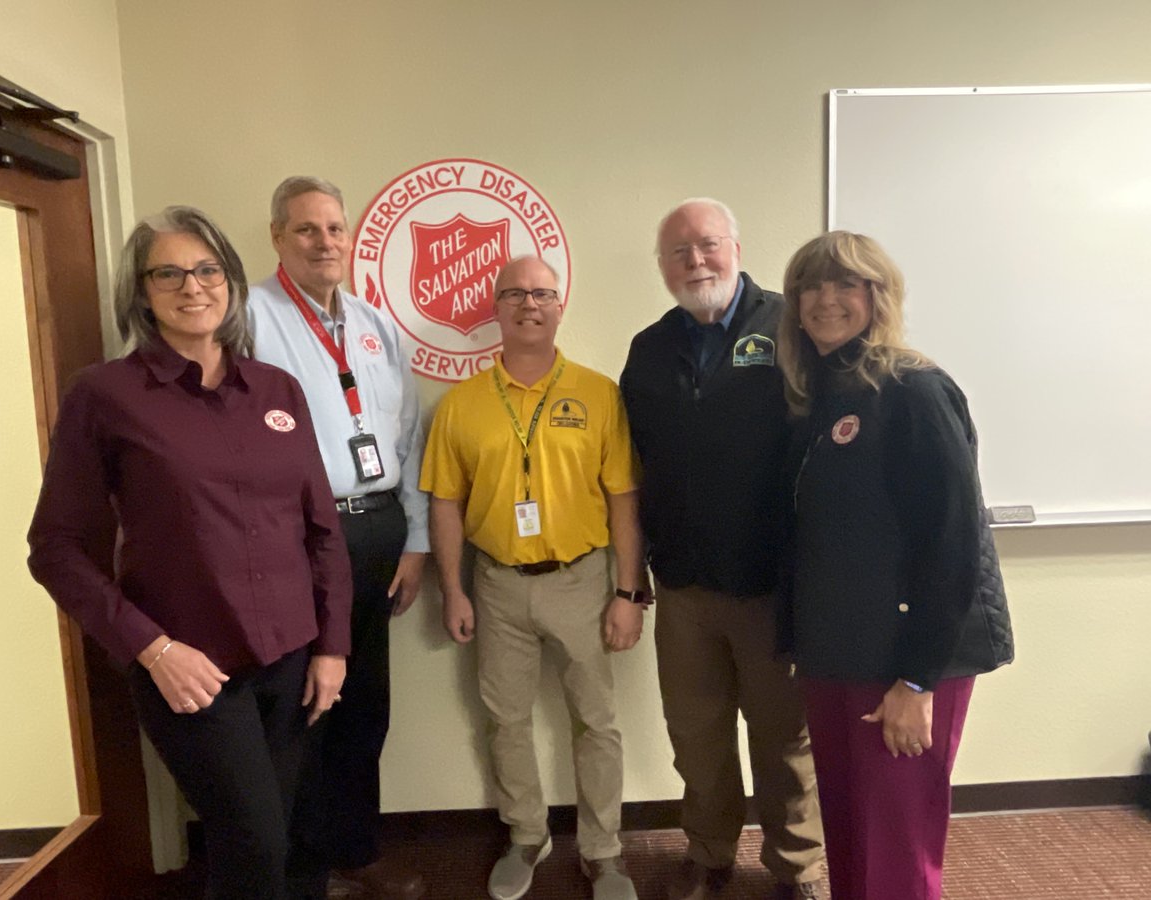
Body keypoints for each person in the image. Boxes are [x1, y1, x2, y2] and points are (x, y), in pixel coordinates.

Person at [27, 206, 351, 900]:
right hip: (192, 672)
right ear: (141, 292)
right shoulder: (105, 396)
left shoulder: (276, 390)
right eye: (167, 272)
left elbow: (321, 528)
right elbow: (53, 548)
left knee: (275, 840)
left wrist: (333, 647)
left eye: (207, 270)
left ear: (230, 281)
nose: (192, 286)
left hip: (292, 662)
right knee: (253, 843)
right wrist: (152, 649)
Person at [776, 231, 1015, 900]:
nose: (826, 300)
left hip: (905, 660)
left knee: (896, 847)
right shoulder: (818, 395)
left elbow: (954, 542)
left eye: (844, 284)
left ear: (877, 297)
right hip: (838, 652)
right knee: (850, 830)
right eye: (811, 287)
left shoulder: (913, 391)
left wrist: (917, 682)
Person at [620, 198, 825, 900]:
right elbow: (636, 464)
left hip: (771, 585)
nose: (695, 261)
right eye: (678, 251)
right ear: (662, 266)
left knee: (783, 742)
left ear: (736, 247)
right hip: (683, 587)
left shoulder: (792, 327)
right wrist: (637, 569)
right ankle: (709, 854)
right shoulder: (649, 349)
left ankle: (797, 868)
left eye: (707, 245)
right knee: (697, 739)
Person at [421, 256, 643, 900]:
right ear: (495, 307)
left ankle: (604, 853)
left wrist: (628, 593)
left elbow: (625, 498)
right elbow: (443, 503)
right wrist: (454, 588)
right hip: (495, 584)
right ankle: (527, 834)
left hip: (581, 579)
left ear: (559, 304)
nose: (528, 304)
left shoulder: (599, 393)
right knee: (505, 718)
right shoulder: (461, 405)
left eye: (541, 293)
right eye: (514, 294)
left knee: (596, 722)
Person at [247, 176, 429, 900]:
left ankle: (355, 848)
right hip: (294, 537)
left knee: (363, 702)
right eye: (306, 230)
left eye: (334, 229)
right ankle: (299, 870)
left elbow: (409, 437)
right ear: (277, 238)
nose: (325, 242)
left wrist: (414, 540)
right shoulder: (250, 319)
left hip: (378, 530)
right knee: (300, 705)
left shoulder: (375, 325)